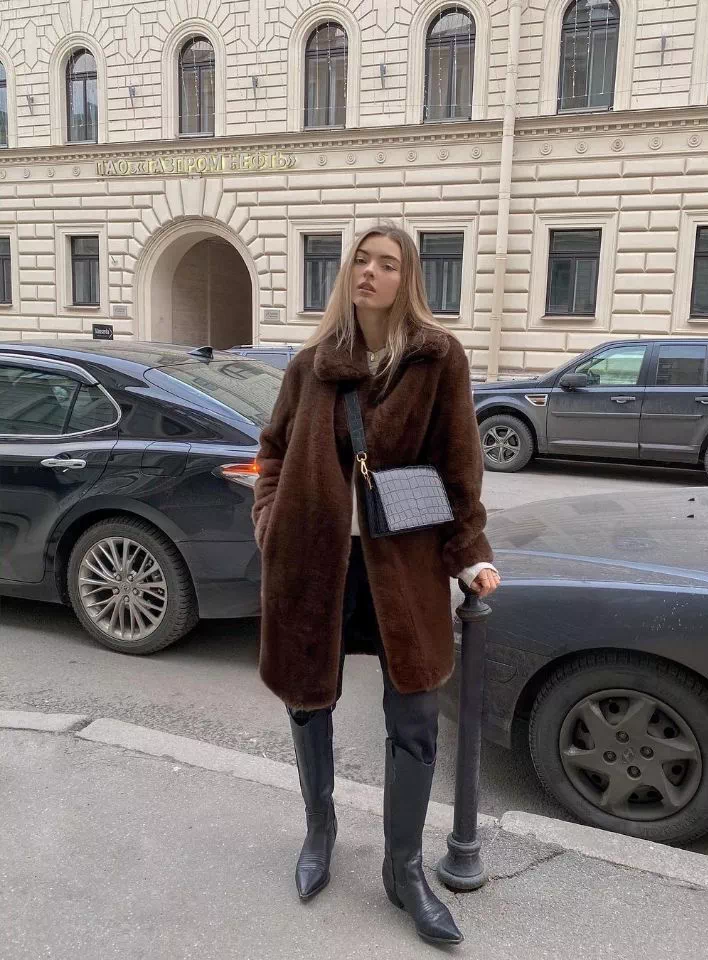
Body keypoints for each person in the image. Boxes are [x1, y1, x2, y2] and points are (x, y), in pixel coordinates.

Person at [251, 223, 500, 946]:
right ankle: (320, 834)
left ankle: (403, 868)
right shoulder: (312, 364)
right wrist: (269, 522)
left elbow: (460, 464)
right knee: (309, 701)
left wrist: (469, 553)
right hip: (314, 562)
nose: (369, 272)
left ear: (406, 278)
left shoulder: (436, 358)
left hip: (404, 564)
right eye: (361, 260)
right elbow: (273, 449)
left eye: (387, 263)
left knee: (415, 714)